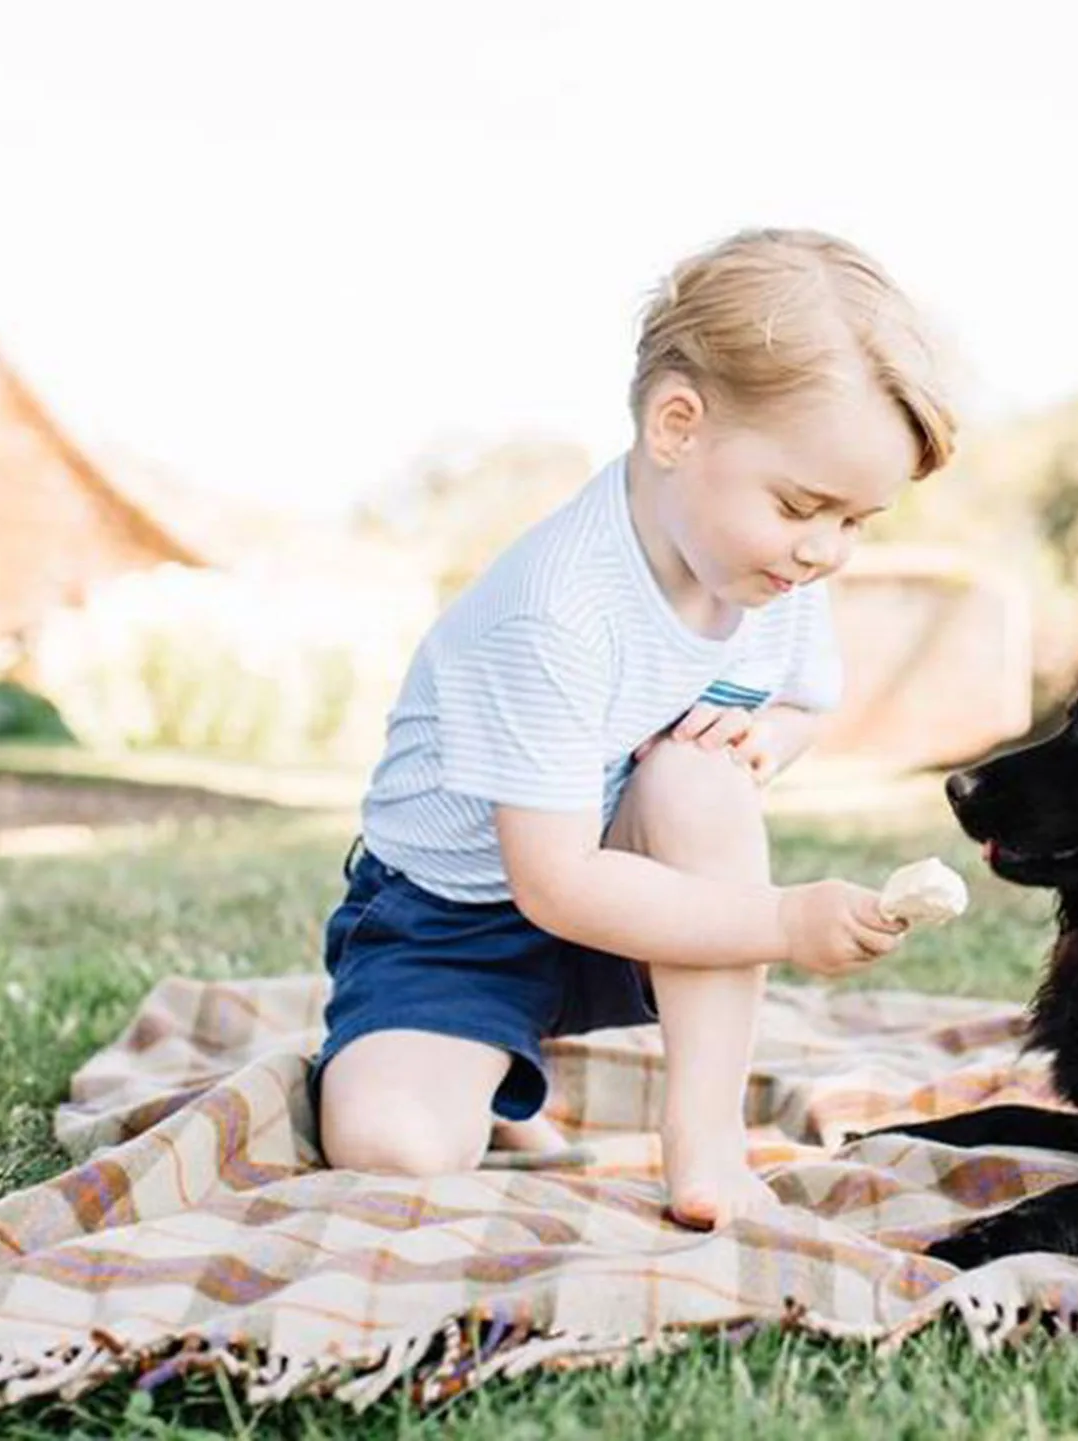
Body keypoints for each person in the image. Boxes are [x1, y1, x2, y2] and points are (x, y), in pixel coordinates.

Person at [310, 228, 959, 1228]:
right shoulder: (556, 610)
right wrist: (784, 921)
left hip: (634, 891)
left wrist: (761, 744)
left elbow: (802, 701)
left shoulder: (771, 568)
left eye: (857, 521)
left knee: (700, 780)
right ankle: (478, 1068)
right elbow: (554, 882)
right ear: (677, 425)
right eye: (803, 505)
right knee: (394, 1151)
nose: (826, 549)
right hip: (456, 919)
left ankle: (704, 1145)